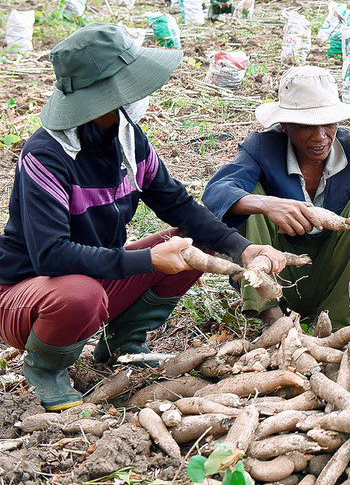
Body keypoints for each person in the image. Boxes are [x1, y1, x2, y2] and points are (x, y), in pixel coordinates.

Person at [0, 24, 286, 411]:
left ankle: (124, 343)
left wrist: (244, 248)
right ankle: (46, 367)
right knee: (81, 295)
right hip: (29, 294)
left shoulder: (128, 138)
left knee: (194, 245)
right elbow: (51, 255)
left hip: (96, 276)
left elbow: (178, 204)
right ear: (103, 96)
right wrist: (148, 259)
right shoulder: (47, 156)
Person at [203, 66, 350, 329]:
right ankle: (270, 315)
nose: (320, 136)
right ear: (285, 126)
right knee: (251, 195)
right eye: (306, 126)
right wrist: (268, 204)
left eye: (328, 124)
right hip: (277, 269)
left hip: (334, 275)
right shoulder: (262, 148)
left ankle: (336, 321)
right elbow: (218, 191)